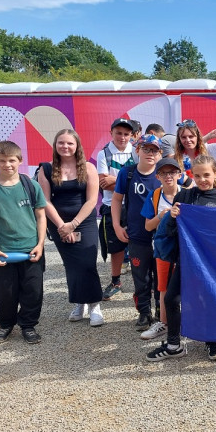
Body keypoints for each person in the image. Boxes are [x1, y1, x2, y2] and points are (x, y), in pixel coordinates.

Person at [146, 155, 216, 361]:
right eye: (198, 175)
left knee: (209, 300)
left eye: (207, 175)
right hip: (186, 260)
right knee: (171, 299)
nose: (202, 179)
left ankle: (212, 341)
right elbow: (170, 232)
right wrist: (172, 217)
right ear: (191, 174)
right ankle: (174, 344)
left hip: (210, 263)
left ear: (215, 175)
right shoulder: (183, 197)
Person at [0, 141, 47, 345]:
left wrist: (40, 243)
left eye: (11, 160)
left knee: (33, 291)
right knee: (5, 293)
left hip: (31, 249)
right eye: (2, 161)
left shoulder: (31, 185)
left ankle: (28, 325)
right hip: (3, 250)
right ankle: (6, 325)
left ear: (20, 161)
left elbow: (41, 216)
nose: (7, 164)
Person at [37, 129, 103, 326]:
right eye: (61, 143)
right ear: (55, 145)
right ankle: (79, 302)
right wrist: (61, 226)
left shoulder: (89, 168)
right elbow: (45, 200)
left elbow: (92, 200)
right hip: (58, 223)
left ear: (77, 146)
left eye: (69, 143)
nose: (65, 147)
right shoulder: (46, 169)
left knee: (87, 263)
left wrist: (73, 224)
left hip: (85, 222)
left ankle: (94, 305)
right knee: (72, 265)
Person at [111, 135, 163, 331]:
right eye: (146, 149)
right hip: (137, 236)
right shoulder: (128, 173)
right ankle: (143, 312)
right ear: (137, 150)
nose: (150, 153)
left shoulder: (165, 172)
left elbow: (186, 186)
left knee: (160, 276)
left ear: (160, 153)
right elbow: (116, 200)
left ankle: (160, 311)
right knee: (140, 276)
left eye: (154, 150)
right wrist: (116, 225)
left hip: (161, 237)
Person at [139, 157, 185, 341]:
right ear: (157, 176)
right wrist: (162, 216)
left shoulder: (188, 193)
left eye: (172, 172)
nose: (169, 176)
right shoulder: (155, 196)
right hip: (164, 249)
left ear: (179, 175)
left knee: (188, 286)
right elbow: (148, 226)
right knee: (164, 286)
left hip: (185, 249)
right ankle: (164, 323)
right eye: (164, 173)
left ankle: (188, 323)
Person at [97, 117, 136, 301]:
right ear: (111, 132)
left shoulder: (137, 151)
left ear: (132, 135)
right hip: (111, 205)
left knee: (139, 244)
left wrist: (116, 180)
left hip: (134, 204)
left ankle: (142, 280)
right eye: (119, 133)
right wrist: (128, 181)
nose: (122, 137)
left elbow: (141, 180)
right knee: (116, 247)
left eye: (126, 134)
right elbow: (104, 183)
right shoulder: (103, 153)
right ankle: (115, 281)